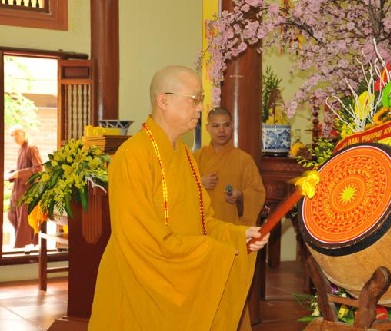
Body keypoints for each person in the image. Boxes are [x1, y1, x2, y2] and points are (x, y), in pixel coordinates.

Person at [89, 65, 269, 331]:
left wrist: (236, 236)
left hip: (184, 278)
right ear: (164, 100)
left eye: (201, 100)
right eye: (194, 99)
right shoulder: (133, 155)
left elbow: (203, 220)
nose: (200, 108)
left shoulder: (185, 156)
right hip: (141, 283)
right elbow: (140, 238)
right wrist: (212, 253)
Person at [193, 107, 266, 330]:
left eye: (225, 125)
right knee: (204, 286)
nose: (221, 130)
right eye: (216, 126)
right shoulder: (195, 159)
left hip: (231, 233)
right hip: (203, 234)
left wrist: (241, 195)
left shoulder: (243, 160)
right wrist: (199, 184)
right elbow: (179, 193)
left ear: (232, 127)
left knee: (231, 286)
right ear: (207, 128)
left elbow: (258, 192)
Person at [6, 124, 43, 253]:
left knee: (26, 218)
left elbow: (38, 169)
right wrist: (12, 174)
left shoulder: (31, 148)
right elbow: (21, 168)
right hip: (18, 189)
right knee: (12, 215)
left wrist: (19, 174)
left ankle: (30, 245)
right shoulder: (21, 149)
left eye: (16, 134)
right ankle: (24, 244)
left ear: (23, 133)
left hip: (27, 190)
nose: (14, 137)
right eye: (12, 135)